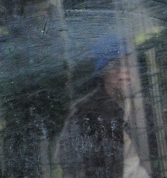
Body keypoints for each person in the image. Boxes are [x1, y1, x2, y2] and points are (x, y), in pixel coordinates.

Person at [54, 38, 152, 178]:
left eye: (129, 64)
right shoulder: (84, 110)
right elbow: (66, 159)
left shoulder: (143, 107)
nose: (124, 71)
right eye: (116, 64)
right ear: (102, 71)